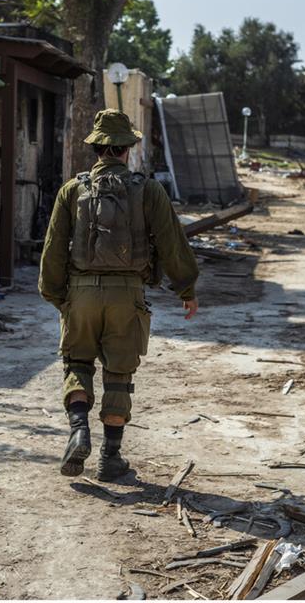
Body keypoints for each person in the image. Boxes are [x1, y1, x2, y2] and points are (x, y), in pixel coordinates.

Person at [39, 109, 200, 481]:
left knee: (77, 365)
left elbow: (53, 250)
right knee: (119, 375)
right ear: (128, 148)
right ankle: (110, 459)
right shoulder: (148, 190)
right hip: (127, 296)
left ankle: (79, 430)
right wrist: (186, 288)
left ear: (96, 148)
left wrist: (58, 298)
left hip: (79, 295)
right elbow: (172, 241)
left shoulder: (73, 189)